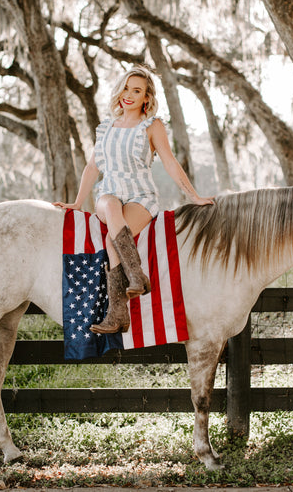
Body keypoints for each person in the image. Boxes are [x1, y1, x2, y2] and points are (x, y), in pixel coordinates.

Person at [53, 66, 213, 334]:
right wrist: (77, 203)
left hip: (141, 196)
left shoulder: (152, 126)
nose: (128, 94)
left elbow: (171, 163)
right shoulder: (106, 127)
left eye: (136, 90)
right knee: (110, 205)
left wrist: (193, 195)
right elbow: (93, 167)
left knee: (111, 239)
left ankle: (118, 315)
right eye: (126, 88)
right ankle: (135, 273)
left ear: (146, 98)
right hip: (109, 193)